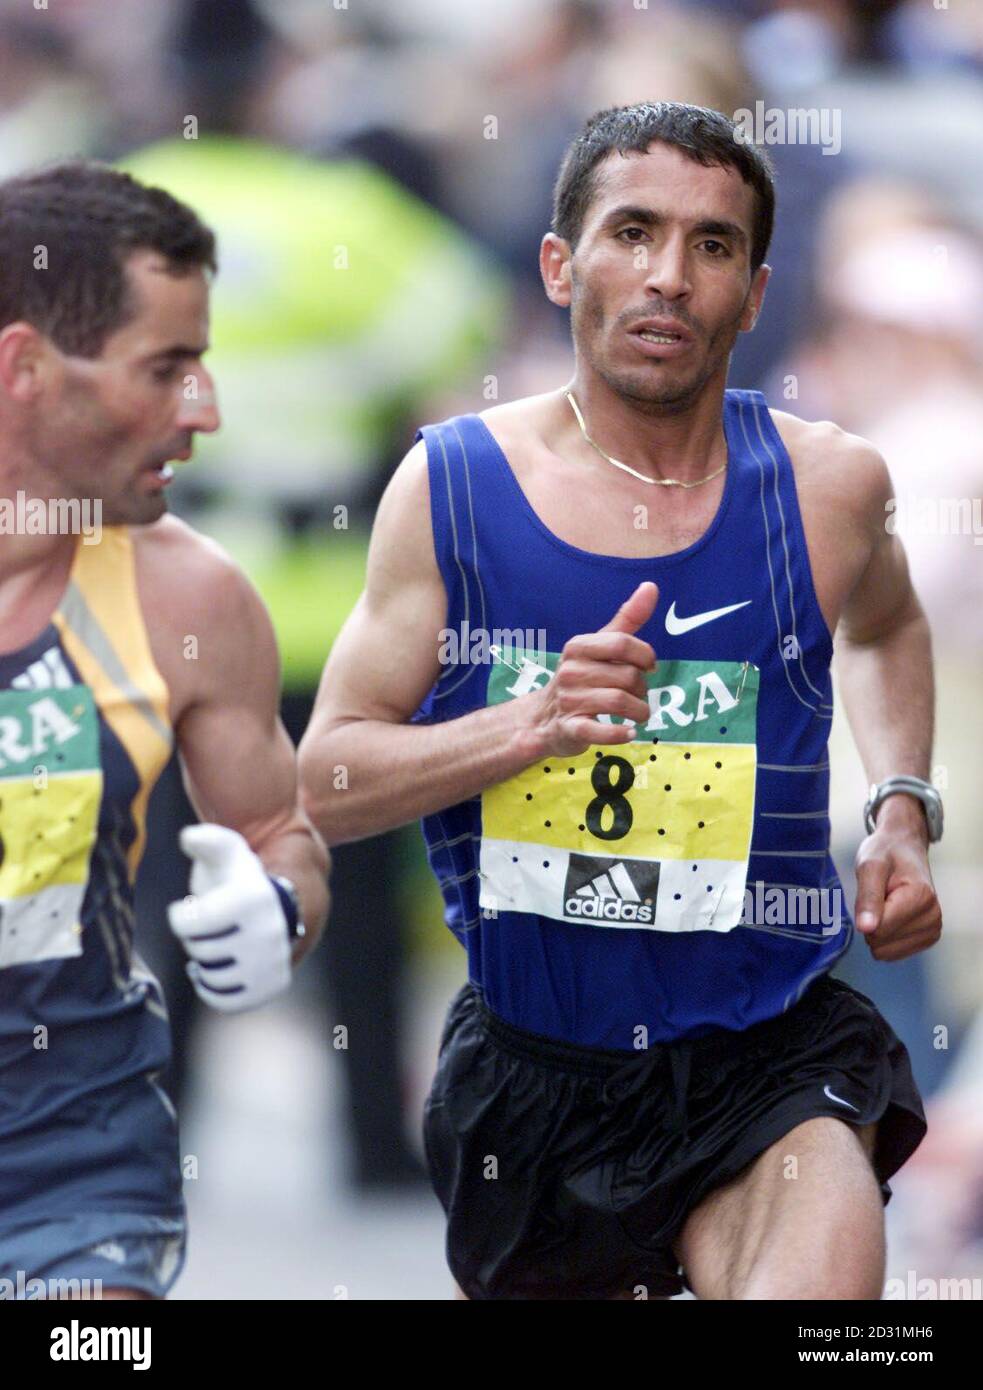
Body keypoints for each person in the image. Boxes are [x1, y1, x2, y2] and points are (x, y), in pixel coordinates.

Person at [298, 101, 942, 1301]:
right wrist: (525, 725)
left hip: (769, 1054)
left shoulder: (829, 485)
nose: (667, 277)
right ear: (559, 264)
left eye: (710, 247)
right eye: (631, 232)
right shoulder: (449, 487)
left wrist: (899, 800)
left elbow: (887, 624)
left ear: (752, 294)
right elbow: (324, 783)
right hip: (535, 1079)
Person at [0, 161, 329, 1300]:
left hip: (72, 1171)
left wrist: (278, 904)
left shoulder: (189, 599)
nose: (206, 409)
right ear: (25, 367)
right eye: (167, 368)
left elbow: (280, 825)